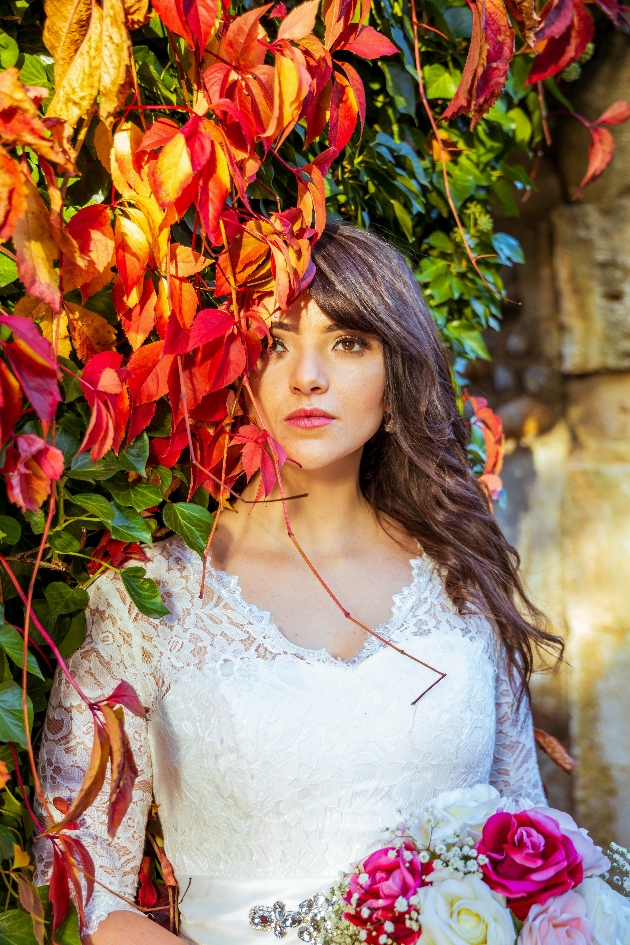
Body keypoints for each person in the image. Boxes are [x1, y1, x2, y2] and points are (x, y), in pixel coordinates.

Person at [34, 223, 561, 945]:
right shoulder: (147, 601)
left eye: (348, 342)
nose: (307, 375)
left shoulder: (465, 581)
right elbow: (77, 885)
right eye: (275, 342)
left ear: (394, 368)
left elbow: (532, 854)